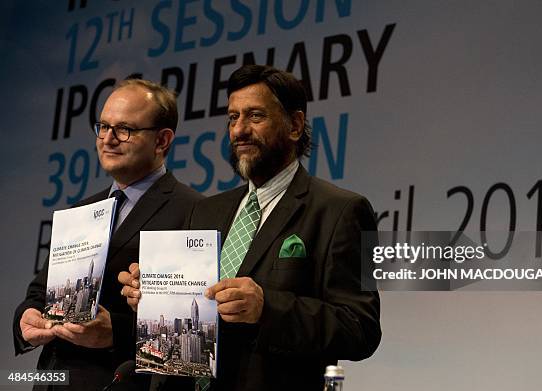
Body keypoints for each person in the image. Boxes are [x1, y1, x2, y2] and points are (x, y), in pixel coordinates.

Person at [119, 65, 382, 390]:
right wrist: (150, 296)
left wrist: (266, 308)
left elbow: (361, 328)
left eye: (255, 116)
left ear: (295, 125)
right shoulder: (205, 211)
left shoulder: (340, 210)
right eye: (233, 117)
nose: (239, 130)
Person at [13, 79, 203, 390]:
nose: (108, 139)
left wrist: (117, 332)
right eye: (103, 126)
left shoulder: (194, 211)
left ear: (162, 140)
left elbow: (190, 332)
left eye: (125, 129)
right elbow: (38, 293)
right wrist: (26, 318)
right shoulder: (81, 210)